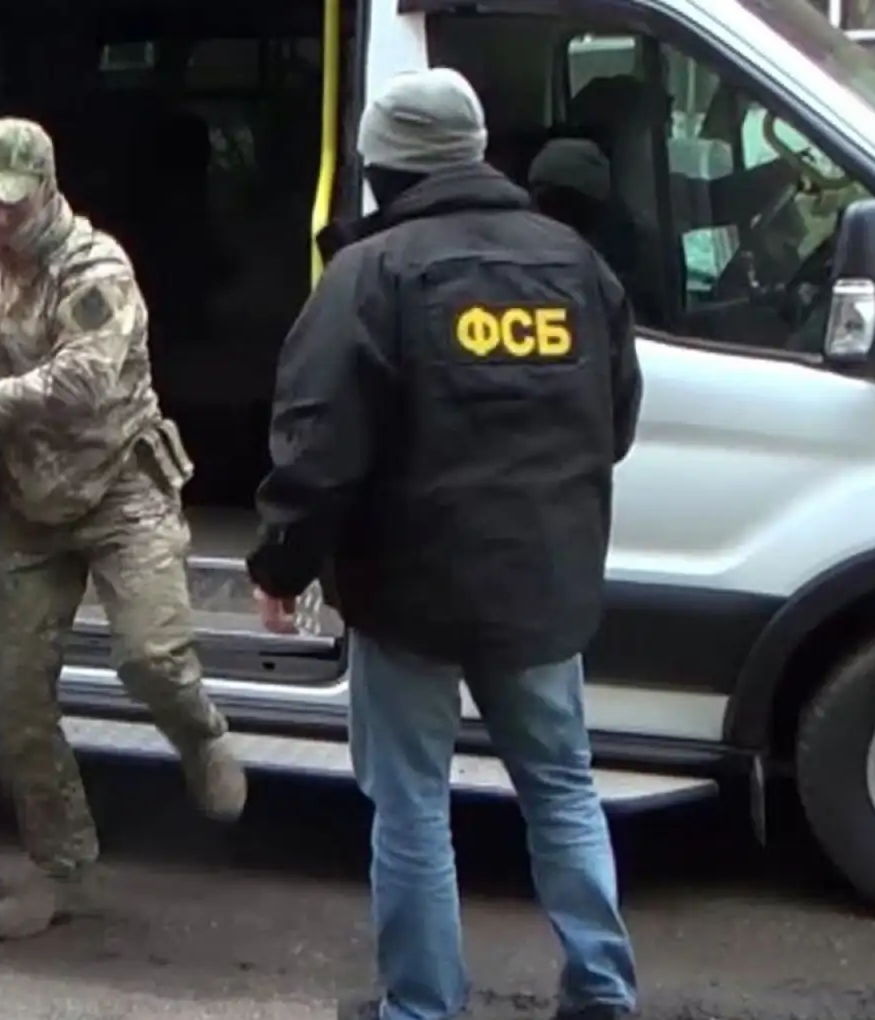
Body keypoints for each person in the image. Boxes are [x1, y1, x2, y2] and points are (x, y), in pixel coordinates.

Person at [244, 69, 643, 1020]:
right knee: (563, 788)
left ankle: (422, 1006)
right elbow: (616, 421)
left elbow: (318, 445)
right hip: (543, 584)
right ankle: (602, 990)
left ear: (384, 167)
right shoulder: (575, 264)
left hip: (410, 591)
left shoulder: (370, 274)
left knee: (414, 807)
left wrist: (280, 566)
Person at [0, 117, 248, 941]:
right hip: (27, 502)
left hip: (121, 487)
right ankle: (64, 870)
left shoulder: (95, 268)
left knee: (151, 656)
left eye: (9, 203)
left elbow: (82, 379)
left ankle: (199, 733)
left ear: (47, 191)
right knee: (13, 693)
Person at [527, 137, 666, 329]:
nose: (545, 214)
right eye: (540, 201)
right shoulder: (517, 256)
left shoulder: (627, 259)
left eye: (559, 201)